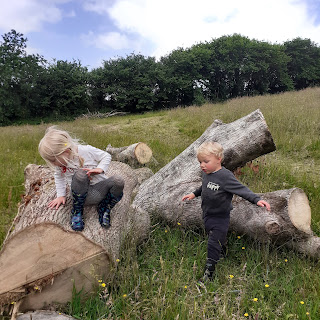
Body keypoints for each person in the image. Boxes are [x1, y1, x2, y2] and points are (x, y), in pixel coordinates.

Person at [182, 141, 270, 280]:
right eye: (200, 162)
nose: (202, 165)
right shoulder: (207, 173)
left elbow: (242, 189)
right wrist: (194, 194)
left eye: (206, 161)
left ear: (219, 159)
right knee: (214, 235)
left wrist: (256, 199)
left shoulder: (225, 176)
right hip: (207, 214)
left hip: (221, 217)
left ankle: (209, 273)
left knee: (212, 242)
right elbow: (203, 187)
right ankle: (222, 251)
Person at [38, 126, 124, 231]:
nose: (52, 163)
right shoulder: (60, 165)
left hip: (100, 191)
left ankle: (104, 208)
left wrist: (100, 169)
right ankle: (77, 211)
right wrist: (61, 195)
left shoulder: (86, 150)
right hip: (80, 196)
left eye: (53, 160)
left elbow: (106, 156)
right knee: (81, 174)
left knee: (119, 181)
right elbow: (59, 177)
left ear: (65, 151)